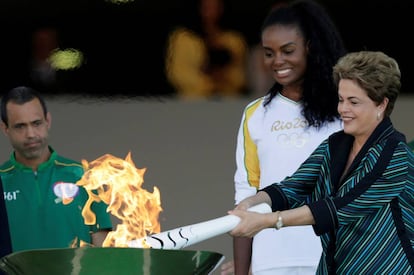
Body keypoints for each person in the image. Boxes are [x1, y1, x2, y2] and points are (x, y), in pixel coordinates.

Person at [228, 50, 414, 274]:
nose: (342, 109)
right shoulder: (335, 145)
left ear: (381, 105)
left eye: (353, 102)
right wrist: (249, 204)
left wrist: (267, 221)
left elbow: (340, 208)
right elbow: (293, 187)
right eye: (341, 99)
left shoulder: (395, 154)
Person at [222, 1, 347, 274]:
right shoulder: (255, 114)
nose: (277, 61)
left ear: (311, 47)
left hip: (336, 260)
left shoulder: (344, 108)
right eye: (269, 53)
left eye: (288, 50)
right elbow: (246, 194)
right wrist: (243, 271)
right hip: (271, 263)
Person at [0, 86, 112, 253]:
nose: (30, 134)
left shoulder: (85, 177)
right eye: (20, 126)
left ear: (48, 121)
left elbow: (104, 255)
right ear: (5, 128)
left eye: (36, 123)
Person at [165, 0, 248, 99]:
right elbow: (177, 73)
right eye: (207, 7)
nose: (211, 13)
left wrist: (223, 77)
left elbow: (241, 75)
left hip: (227, 101)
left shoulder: (234, 41)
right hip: (192, 102)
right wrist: (209, 83)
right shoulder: (183, 39)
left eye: (216, 7)